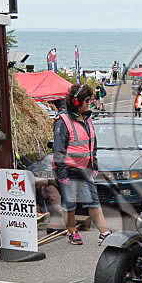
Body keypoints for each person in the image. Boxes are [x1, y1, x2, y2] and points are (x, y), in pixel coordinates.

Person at [52, 84, 112, 245]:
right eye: (87, 100)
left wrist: (94, 165)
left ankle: (104, 232)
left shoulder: (86, 119)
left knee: (93, 200)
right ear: (76, 102)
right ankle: (72, 232)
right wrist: (62, 174)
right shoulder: (62, 121)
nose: (90, 103)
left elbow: (92, 144)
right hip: (68, 170)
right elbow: (58, 150)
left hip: (85, 169)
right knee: (69, 204)